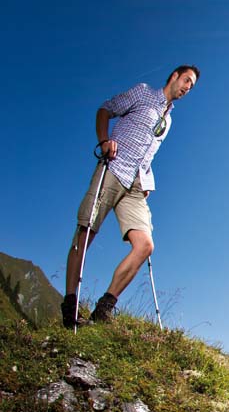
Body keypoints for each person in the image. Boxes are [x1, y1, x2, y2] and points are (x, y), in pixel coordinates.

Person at [61, 65, 200, 328]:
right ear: (174, 76)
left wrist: (148, 180)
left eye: (191, 87)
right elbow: (105, 109)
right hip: (113, 168)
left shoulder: (168, 120)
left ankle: (104, 308)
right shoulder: (143, 93)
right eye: (186, 81)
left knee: (145, 245)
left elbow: (149, 154)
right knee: (85, 233)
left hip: (136, 186)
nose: (186, 88)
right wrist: (104, 141)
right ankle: (70, 306)